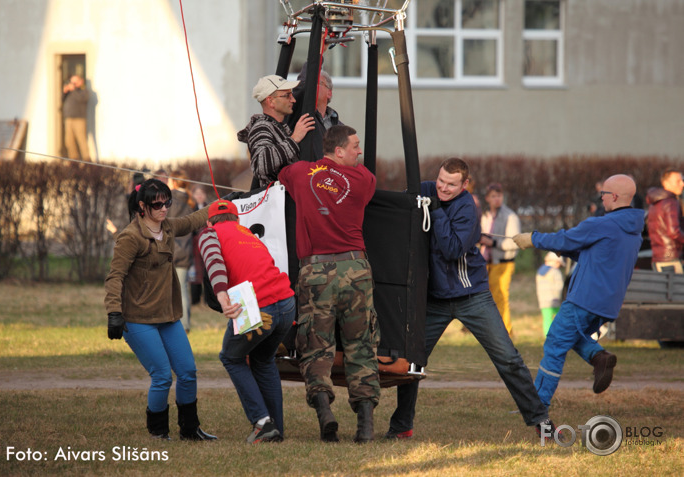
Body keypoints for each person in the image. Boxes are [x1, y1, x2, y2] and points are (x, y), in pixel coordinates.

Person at [386, 158, 552, 441]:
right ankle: (402, 426)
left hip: (471, 295)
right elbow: (398, 209)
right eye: (440, 181)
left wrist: (435, 211)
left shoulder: (467, 208)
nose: (443, 188)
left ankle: (542, 423)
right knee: (412, 361)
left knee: (508, 359)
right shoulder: (426, 189)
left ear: (465, 185)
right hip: (435, 299)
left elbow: (451, 249)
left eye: (451, 184)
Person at [278, 125, 380, 443]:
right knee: (360, 345)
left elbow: (282, 173)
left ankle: (325, 414)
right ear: (338, 151)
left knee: (315, 347)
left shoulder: (299, 173)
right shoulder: (363, 180)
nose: (359, 152)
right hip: (356, 269)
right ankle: (364, 425)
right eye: (354, 146)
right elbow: (359, 181)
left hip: (316, 272)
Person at [513, 174, 644, 407]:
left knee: (554, 344)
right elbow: (594, 255)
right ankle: (599, 357)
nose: (601, 199)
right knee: (569, 337)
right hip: (607, 304)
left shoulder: (602, 224)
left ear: (613, 196)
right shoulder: (632, 230)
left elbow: (565, 239)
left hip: (584, 298)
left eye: (603, 194)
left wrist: (533, 239)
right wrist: (566, 250)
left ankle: (536, 407)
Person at [104, 178, 217, 441]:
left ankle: (190, 430)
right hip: (138, 319)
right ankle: (158, 432)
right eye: (157, 204)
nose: (164, 208)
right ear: (142, 206)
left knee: (188, 372)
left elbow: (192, 220)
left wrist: (223, 204)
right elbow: (115, 277)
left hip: (168, 316)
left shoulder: (167, 228)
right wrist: (114, 313)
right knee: (162, 376)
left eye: (167, 202)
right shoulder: (130, 238)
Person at [197, 199, 295, 443]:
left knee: (231, 357)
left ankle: (262, 423)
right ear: (237, 219)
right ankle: (276, 428)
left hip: (259, 307)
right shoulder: (247, 233)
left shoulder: (209, 233)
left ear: (209, 222)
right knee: (263, 360)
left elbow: (213, 260)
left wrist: (221, 293)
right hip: (287, 303)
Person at [237, 75, 315, 188]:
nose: (293, 99)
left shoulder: (279, 127)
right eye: (287, 95)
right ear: (271, 101)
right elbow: (260, 164)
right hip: (276, 202)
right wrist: (294, 139)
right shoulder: (261, 127)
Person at [479, 182, 521, 335]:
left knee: (501, 296)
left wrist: (493, 242)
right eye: (493, 196)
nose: (497, 199)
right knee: (486, 298)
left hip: (503, 262)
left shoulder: (510, 216)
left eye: (499, 196)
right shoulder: (485, 215)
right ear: (487, 198)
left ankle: (506, 331)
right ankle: (491, 330)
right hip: (487, 262)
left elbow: (514, 242)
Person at [168, 170, 195, 333]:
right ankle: (185, 323)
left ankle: (179, 323)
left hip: (171, 251)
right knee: (183, 289)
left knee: (171, 289)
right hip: (185, 252)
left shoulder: (169, 200)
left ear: (175, 182)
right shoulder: (190, 203)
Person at [646, 169, 684, 273]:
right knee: (677, 288)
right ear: (666, 183)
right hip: (672, 258)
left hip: (659, 257)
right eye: (678, 181)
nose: (682, 184)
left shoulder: (655, 202)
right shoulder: (671, 202)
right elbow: (674, 232)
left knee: (666, 288)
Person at [62, 75, 91, 161]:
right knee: (69, 142)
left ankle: (87, 162)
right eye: (72, 82)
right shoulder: (70, 92)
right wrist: (65, 92)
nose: (73, 84)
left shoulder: (84, 91)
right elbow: (61, 100)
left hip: (79, 120)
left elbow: (81, 99)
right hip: (69, 119)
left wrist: (73, 90)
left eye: (75, 82)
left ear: (81, 81)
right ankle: (74, 162)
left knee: (82, 141)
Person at [536, 252, 565, 336]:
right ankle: (560, 333)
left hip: (543, 300)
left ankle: (547, 335)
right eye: (559, 264)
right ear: (556, 262)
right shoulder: (555, 271)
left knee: (547, 319)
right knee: (560, 317)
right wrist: (562, 297)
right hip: (554, 299)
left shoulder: (539, 272)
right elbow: (560, 286)